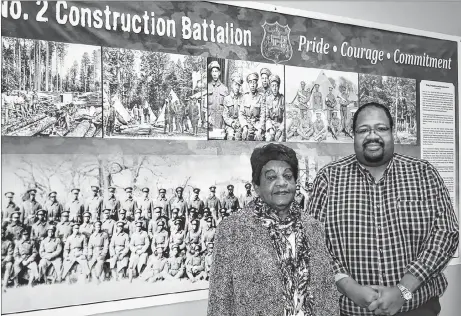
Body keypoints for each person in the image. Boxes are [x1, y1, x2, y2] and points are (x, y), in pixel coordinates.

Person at [308, 102, 459, 316]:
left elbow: (446, 234)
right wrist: (349, 287)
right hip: (349, 311)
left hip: (418, 309)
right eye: (363, 130)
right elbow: (312, 242)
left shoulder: (424, 174)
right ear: (353, 135)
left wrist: (403, 290)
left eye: (381, 128)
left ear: (392, 132)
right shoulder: (329, 178)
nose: (372, 135)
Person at [208, 143, 338, 316]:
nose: (281, 183)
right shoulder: (233, 229)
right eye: (271, 177)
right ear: (256, 186)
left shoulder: (313, 227)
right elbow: (220, 302)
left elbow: (327, 292)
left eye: (288, 176)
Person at [240, 72, 266, 141]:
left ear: (257, 84)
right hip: (247, 125)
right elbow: (241, 114)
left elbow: (263, 115)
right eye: (250, 82)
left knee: (259, 139)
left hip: (257, 125)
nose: (252, 85)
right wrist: (244, 127)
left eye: (254, 82)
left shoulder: (261, 97)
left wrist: (260, 129)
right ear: (248, 84)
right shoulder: (245, 97)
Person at [207, 61, 228, 131]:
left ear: (219, 73)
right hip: (210, 119)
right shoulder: (207, 87)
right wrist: (207, 117)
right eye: (213, 71)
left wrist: (224, 123)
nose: (214, 73)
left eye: (216, 71)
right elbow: (204, 106)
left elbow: (226, 107)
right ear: (211, 73)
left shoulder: (224, 88)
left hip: (220, 121)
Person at [222, 72, 243, 140]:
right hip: (230, 125)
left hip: (240, 123)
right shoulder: (227, 99)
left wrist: (240, 123)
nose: (237, 87)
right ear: (232, 85)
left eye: (239, 85)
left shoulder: (243, 98)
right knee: (230, 136)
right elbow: (225, 116)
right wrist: (232, 123)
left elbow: (244, 114)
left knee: (238, 137)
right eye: (235, 84)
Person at [1, 223, 14, 291]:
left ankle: (4, 285)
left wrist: (4, 261)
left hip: (5, 260)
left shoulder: (8, 242)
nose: (1, 235)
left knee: (9, 265)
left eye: (2, 233)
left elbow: (10, 254)